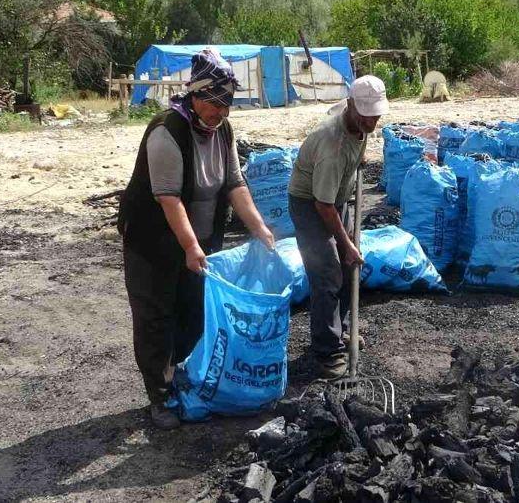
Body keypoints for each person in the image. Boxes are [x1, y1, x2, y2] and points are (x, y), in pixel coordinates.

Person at [117, 48, 275, 429]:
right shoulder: (166, 131)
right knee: (156, 317)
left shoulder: (223, 131)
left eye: (228, 104)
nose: (222, 112)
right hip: (153, 242)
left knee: (192, 311)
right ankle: (159, 394)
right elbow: (168, 198)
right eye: (216, 103)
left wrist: (261, 229)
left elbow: (236, 184)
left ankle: (182, 378)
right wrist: (190, 246)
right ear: (197, 95)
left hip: (199, 241)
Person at [288, 76, 389, 380]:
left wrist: (357, 162)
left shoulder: (358, 123)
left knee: (347, 270)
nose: (372, 121)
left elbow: (334, 198)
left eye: (376, 114)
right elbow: (322, 206)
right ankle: (326, 352)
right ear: (350, 106)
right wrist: (346, 243)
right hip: (310, 204)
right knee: (328, 274)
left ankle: (337, 330)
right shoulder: (332, 144)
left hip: (334, 198)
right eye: (365, 114)